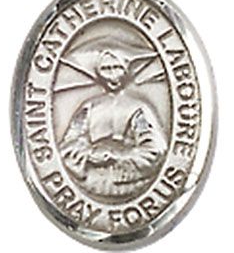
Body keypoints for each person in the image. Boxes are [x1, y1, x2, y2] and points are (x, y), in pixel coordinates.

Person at [59, 36, 167, 200]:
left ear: (126, 71)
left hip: (130, 181)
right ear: (98, 73)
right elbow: (70, 143)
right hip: (92, 182)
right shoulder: (89, 107)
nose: (112, 75)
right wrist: (90, 153)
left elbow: (154, 149)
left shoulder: (138, 108)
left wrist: (118, 155)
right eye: (106, 69)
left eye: (117, 68)